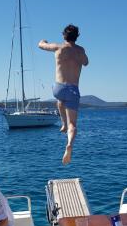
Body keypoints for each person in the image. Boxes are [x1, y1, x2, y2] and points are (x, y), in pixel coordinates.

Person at [38, 24, 89, 165]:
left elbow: (41, 45)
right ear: (77, 36)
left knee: (60, 99)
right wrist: (79, 55)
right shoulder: (80, 50)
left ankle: (63, 124)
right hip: (73, 89)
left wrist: (43, 40)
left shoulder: (58, 47)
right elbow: (86, 63)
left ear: (64, 36)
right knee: (73, 124)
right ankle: (69, 144)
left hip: (58, 88)